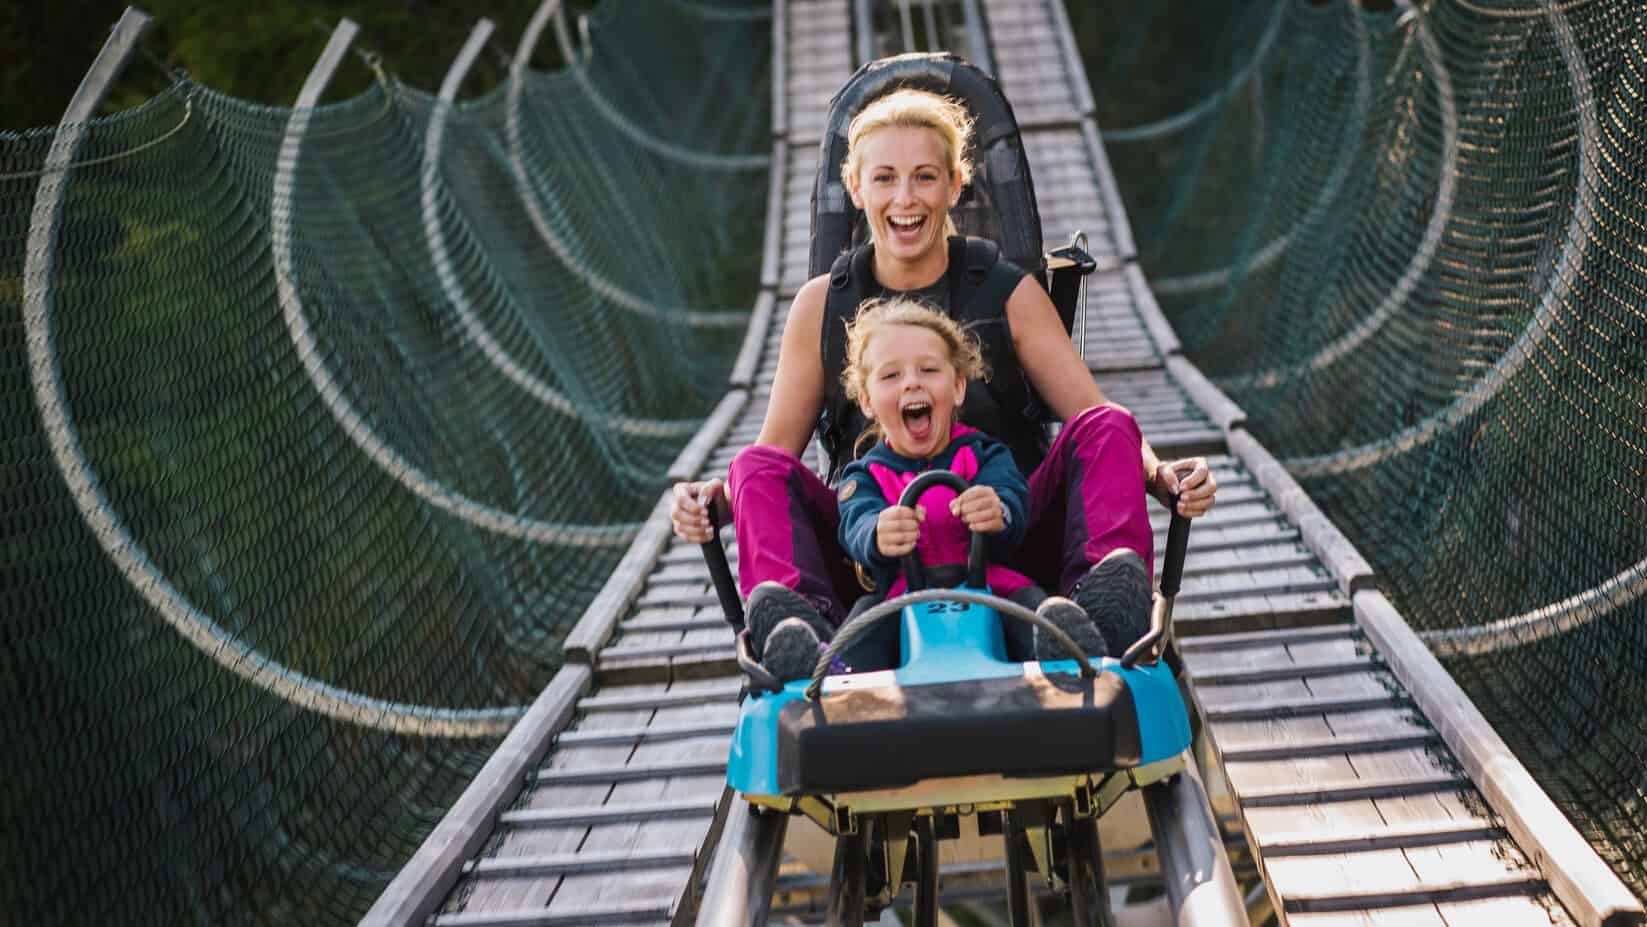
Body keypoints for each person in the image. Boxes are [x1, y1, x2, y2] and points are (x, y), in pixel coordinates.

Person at [670, 86, 1216, 680]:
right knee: (751, 465)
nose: (904, 199)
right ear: (856, 188)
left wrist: (1160, 475)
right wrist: (715, 500)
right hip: (877, 552)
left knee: (1110, 424)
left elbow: (1093, 416)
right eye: (884, 179)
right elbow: (775, 454)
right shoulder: (821, 305)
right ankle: (807, 638)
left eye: (924, 178)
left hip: (1006, 533)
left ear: (956, 185)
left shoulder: (1007, 290)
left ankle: (1095, 613)